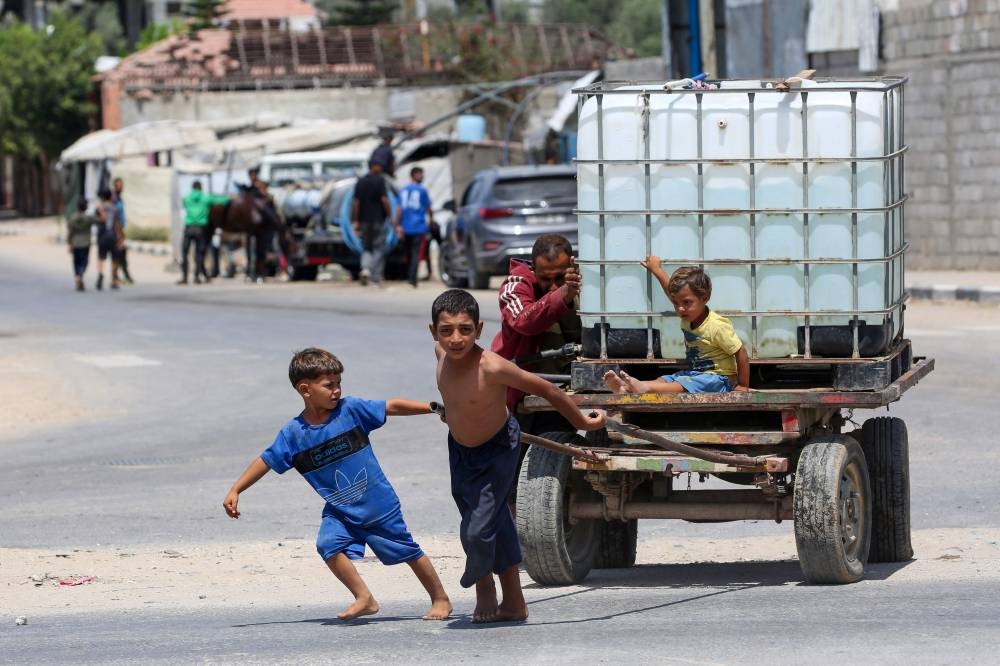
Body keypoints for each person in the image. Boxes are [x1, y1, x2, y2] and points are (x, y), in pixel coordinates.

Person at [223, 348, 452, 621]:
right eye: (328, 385)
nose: (336, 390)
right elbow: (267, 460)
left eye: (338, 384)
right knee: (328, 544)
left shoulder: (351, 410)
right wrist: (237, 489)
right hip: (340, 509)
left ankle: (441, 599)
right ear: (305, 390)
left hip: (377, 504)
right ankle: (364, 597)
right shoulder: (294, 434)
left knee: (407, 550)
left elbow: (390, 406)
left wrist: (432, 408)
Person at [429, 289, 605, 623]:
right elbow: (459, 396)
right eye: (446, 330)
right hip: (460, 451)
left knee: (477, 529)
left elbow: (548, 389)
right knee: (493, 520)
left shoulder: (493, 367)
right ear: (433, 332)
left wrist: (582, 420)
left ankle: (482, 586)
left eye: (465, 330)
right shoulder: (440, 353)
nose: (455, 339)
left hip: (497, 449)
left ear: (479, 330)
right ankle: (514, 601)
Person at [603, 262, 750, 394]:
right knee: (666, 379)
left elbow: (740, 352)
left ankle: (645, 388)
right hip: (694, 374)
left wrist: (743, 385)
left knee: (685, 383)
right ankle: (626, 388)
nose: (680, 309)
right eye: (676, 303)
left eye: (686, 302)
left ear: (704, 298)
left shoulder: (716, 326)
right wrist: (657, 270)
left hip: (719, 380)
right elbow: (672, 293)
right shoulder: (688, 314)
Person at [491, 234, 582, 412]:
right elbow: (523, 320)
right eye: (546, 279)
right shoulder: (515, 284)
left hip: (565, 387)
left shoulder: (582, 282)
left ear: (572, 265)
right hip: (521, 388)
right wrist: (562, 294)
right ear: (533, 269)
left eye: (559, 278)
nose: (553, 286)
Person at [179, 181, 229, 285]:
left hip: (188, 228)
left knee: (185, 253)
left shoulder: (186, 198)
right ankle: (197, 277)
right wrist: (229, 198)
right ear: (201, 188)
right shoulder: (206, 198)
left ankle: (184, 277)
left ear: (192, 188)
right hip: (201, 229)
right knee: (199, 254)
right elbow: (221, 201)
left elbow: (183, 205)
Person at [351, 161, 392, 287]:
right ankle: (375, 276)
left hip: (364, 221)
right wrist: (390, 215)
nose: (381, 168)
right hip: (378, 220)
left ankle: (365, 269)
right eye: (379, 165)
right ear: (374, 166)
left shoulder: (360, 181)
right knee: (378, 248)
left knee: (367, 247)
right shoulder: (380, 181)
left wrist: (356, 220)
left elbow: (356, 203)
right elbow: (384, 200)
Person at [395, 166, 434, 288]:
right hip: (418, 225)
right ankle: (412, 278)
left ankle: (410, 276)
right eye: (420, 174)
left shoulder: (403, 190)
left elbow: (399, 209)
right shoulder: (422, 190)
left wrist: (398, 224)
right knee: (415, 253)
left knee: (409, 253)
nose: (422, 177)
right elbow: (428, 208)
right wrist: (431, 220)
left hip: (407, 226)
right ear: (414, 175)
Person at [94, 189, 123, 291]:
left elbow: (96, 221)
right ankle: (114, 280)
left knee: (101, 257)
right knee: (114, 259)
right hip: (113, 236)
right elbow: (117, 224)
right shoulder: (115, 209)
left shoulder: (98, 208)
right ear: (111, 197)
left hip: (102, 236)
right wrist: (120, 237)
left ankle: (101, 273)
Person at [66, 199, 96, 292]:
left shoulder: (72, 218)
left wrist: (69, 243)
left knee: (76, 261)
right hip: (85, 243)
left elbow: (70, 232)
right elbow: (102, 220)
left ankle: (77, 276)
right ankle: (80, 275)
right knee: (84, 261)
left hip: (75, 242)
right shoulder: (89, 218)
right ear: (85, 207)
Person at [112, 177, 134, 284]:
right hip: (116, 230)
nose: (121, 187)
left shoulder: (119, 198)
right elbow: (114, 218)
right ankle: (120, 275)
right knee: (119, 252)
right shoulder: (114, 199)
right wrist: (119, 234)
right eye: (119, 185)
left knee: (120, 252)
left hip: (120, 229)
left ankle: (118, 275)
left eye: (122, 185)